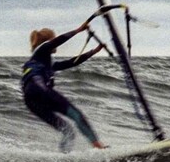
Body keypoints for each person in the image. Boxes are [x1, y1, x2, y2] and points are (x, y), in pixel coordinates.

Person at [21, 22, 107, 152]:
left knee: (68, 131)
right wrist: (78, 30)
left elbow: (70, 63)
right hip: (39, 89)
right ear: (49, 40)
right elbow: (58, 41)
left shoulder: (44, 61)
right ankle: (98, 146)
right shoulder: (42, 49)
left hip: (31, 100)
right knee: (76, 115)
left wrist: (93, 51)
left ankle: (63, 157)